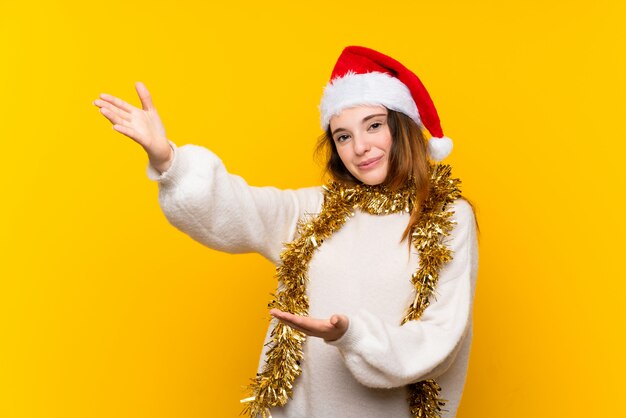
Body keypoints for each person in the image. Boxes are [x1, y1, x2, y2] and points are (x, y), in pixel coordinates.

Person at [93, 46, 479, 418]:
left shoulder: (449, 217)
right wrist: (168, 159)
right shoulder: (313, 209)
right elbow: (237, 208)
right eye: (343, 136)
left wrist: (352, 335)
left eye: (374, 126)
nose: (360, 147)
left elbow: (442, 339)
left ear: (402, 127)